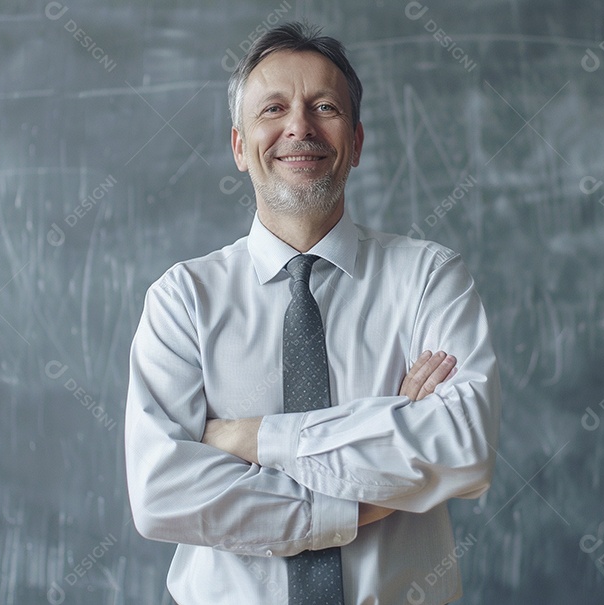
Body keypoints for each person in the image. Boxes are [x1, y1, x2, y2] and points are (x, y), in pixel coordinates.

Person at [124, 21, 501, 605]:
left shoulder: (430, 278)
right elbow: (162, 494)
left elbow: (463, 449)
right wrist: (384, 449)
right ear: (239, 147)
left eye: (324, 106)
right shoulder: (182, 301)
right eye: (273, 108)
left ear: (355, 141)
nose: (298, 126)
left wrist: (253, 439)